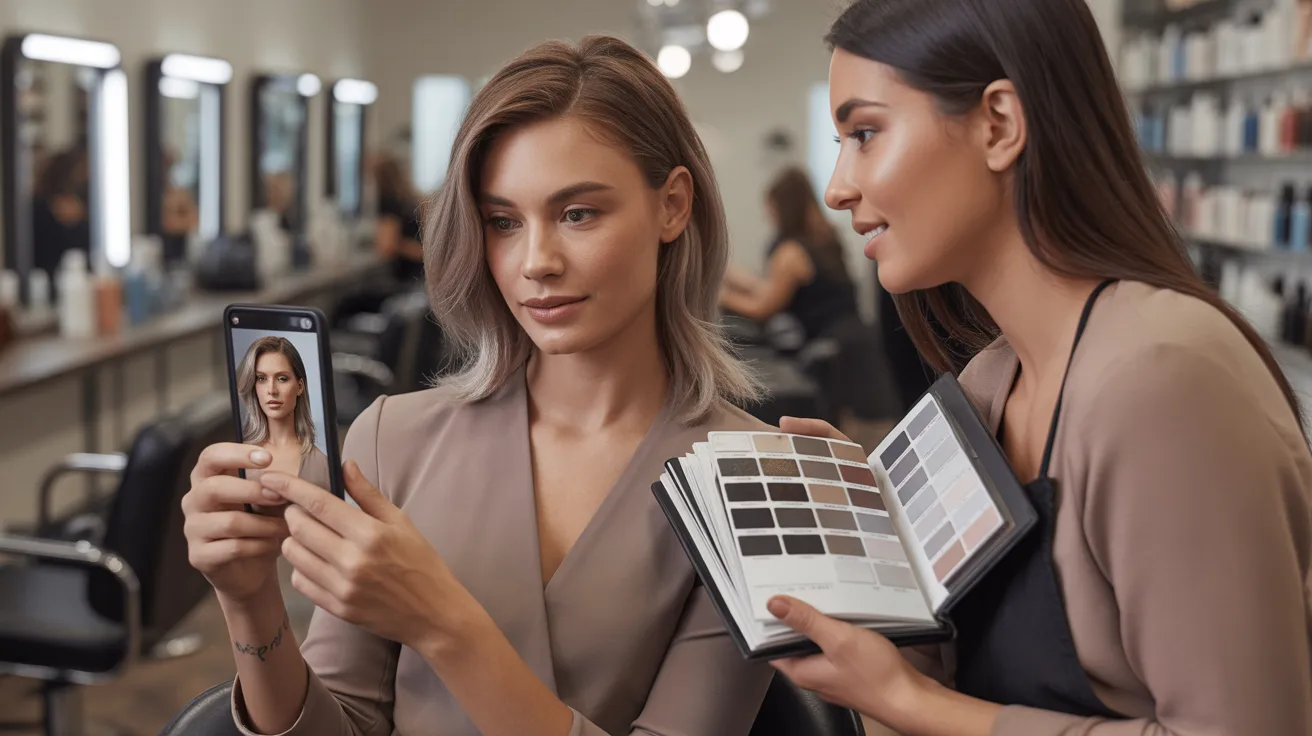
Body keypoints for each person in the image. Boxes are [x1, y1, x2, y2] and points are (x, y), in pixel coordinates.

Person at [181, 35, 773, 736]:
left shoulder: (755, 479)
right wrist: (249, 602)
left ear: (673, 205)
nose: (536, 262)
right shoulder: (391, 438)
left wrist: (442, 623)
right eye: (502, 222)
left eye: (577, 213)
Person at [763, 0, 1312, 734]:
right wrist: (876, 561)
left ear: (999, 124)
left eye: (865, 134)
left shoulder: (1159, 379)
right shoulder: (985, 387)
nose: (838, 186)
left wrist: (909, 699)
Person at [720, 166, 858, 343]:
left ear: (784, 209)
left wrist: (722, 297)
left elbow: (762, 308)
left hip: (832, 347)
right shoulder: (822, 239)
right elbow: (771, 289)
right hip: (853, 338)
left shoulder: (792, 252)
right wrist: (728, 275)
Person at [234, 336, 330, 489]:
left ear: (299, 387)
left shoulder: (323, 465)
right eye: (261, 378)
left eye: (282, 379)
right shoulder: (236, 457)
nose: (271, 390)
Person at [373, 154, 424, 285]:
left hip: (406, 278)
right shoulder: (408, 201)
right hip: (419, 275)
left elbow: (387, 246)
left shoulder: (388, 203)